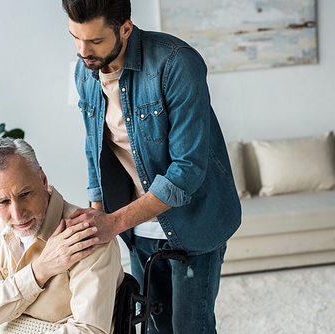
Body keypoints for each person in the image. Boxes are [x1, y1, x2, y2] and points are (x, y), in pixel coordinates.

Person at [62, 0, 242, 333]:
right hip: (137, 230)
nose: (83, 51)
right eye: (75, 37)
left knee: (191, 328)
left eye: (96, 41)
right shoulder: (84, 74)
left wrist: (112, 222)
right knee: (153, 327)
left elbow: (186, 170)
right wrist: (96, 218)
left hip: (194, 225)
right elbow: (94, 150)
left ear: (126, 29)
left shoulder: (176, 63)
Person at [0, 137, 124, 334]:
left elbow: (90, 331)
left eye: (24, 194)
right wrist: (38, 271)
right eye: (3, 202)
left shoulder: (88, 234)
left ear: (42, 179)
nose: (17, 214)